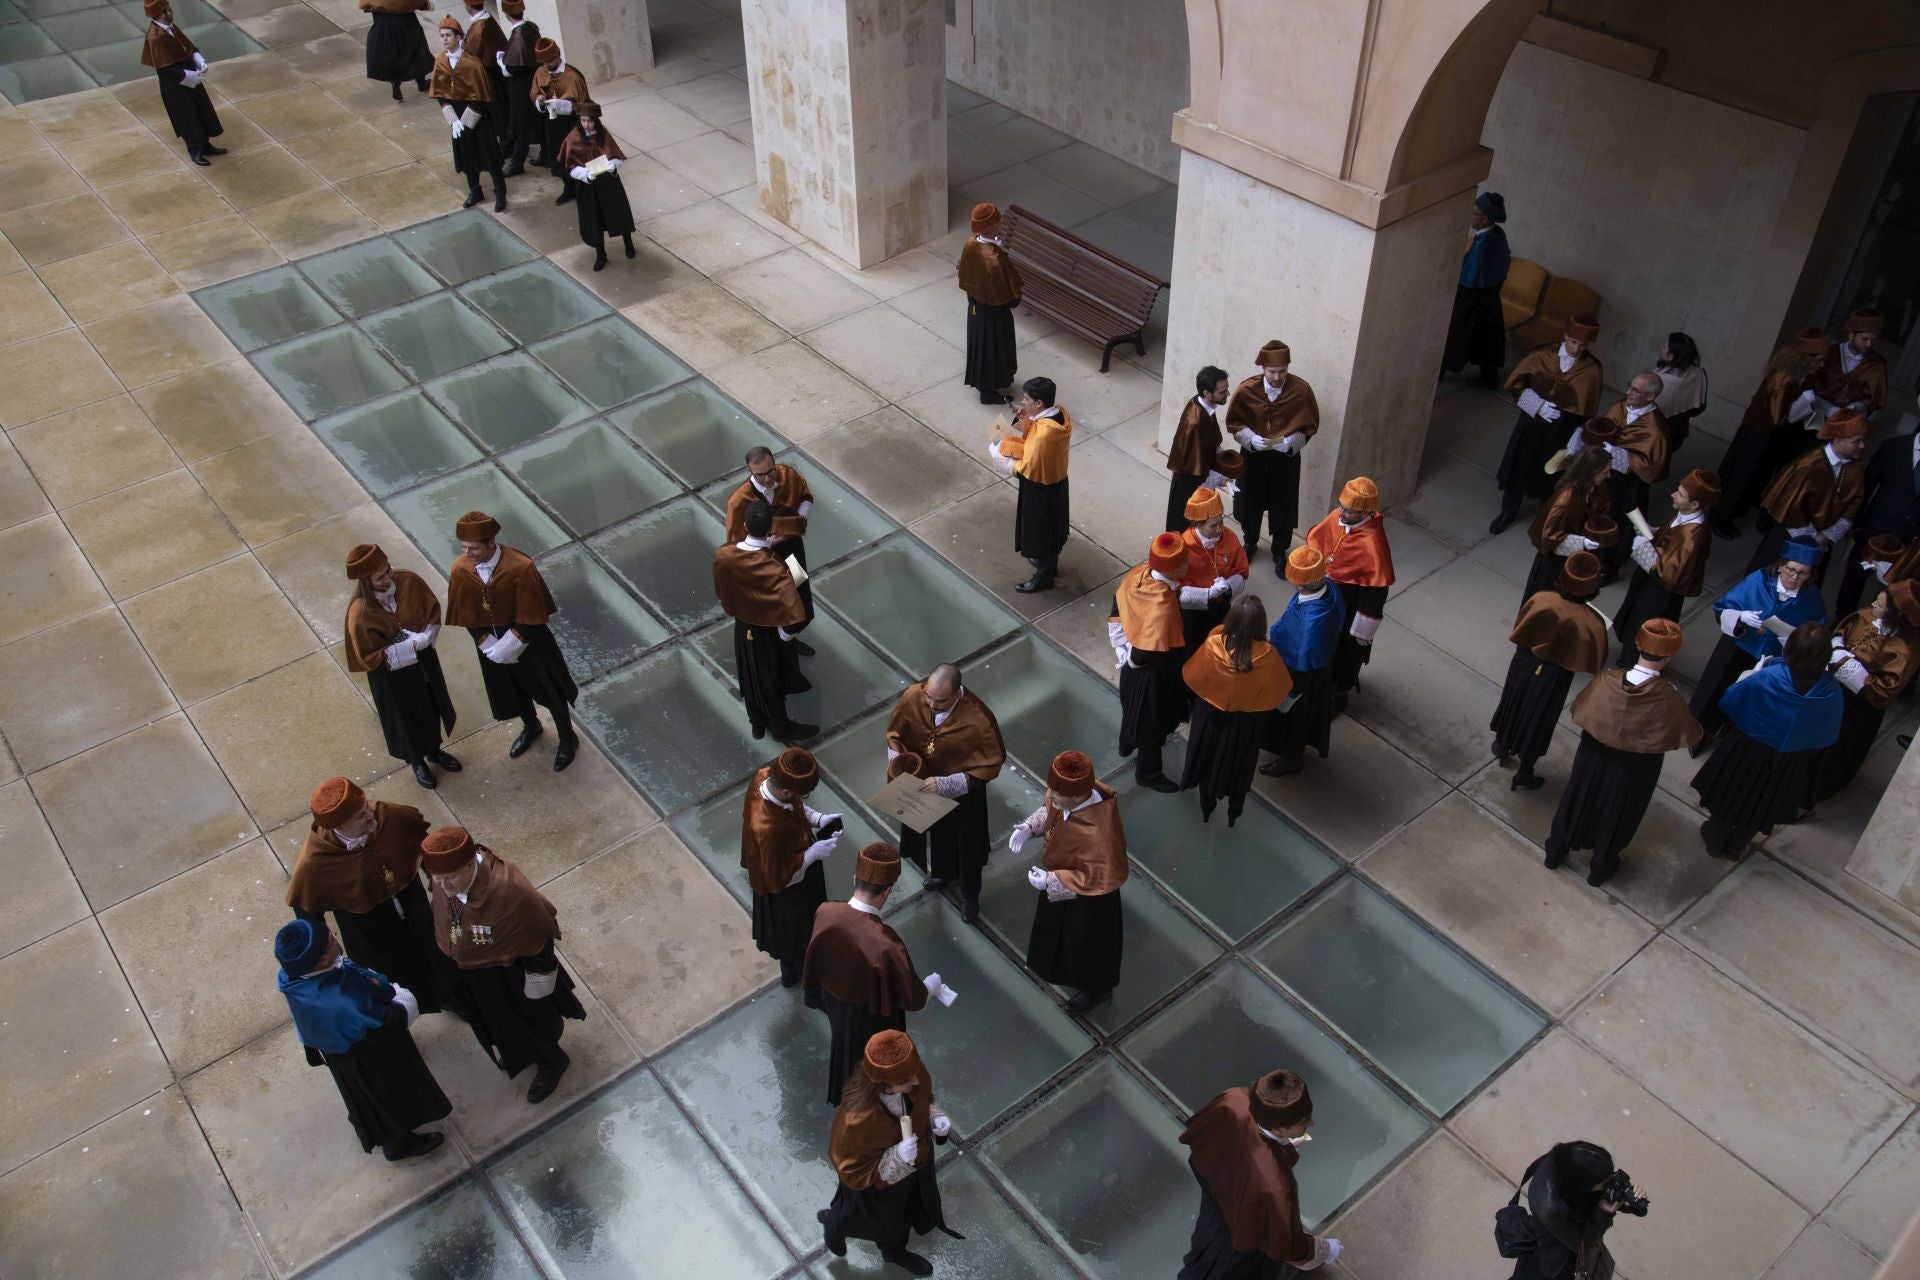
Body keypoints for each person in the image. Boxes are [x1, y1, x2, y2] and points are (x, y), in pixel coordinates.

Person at [424, 826, 584, 1102]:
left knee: (528, 1022)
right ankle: (518, 1051)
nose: (441, 885)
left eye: (449, 878)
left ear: (468, 863)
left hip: (508, 974)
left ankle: (551, 1061)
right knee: (495, 1023)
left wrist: (538, 984)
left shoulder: (510, 891)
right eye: (436, 878)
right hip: (471, 970)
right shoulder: (446, 882)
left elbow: (541, 936)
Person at [273, 919, 449, 1162]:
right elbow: (388, 1023)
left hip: (342, 1051)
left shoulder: (296, 975)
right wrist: (402, 999)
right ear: (321, 959)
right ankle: (399, 1144)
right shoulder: (340, 1004)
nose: (335, 934)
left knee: (363, 1100)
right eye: (330, 939)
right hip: (370, 1057)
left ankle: (370, 1121)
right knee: (388, 1097)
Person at [1545, 618, 1699, 885]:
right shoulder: (1669, 697)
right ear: (1670, 655)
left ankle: (1555, 851)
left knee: (1577, 798)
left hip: (1593, 758)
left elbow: (1582, 710)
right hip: (1634, 769)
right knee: (1619, 813)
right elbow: (1687, 734)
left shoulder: (1607, 680)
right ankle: (1600, 867)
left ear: (1638, 644)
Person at [287, 776, 456, 1016]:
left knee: (435, 955)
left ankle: (449, 997)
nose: (370, 815)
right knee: (390, 977)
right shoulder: (315, 864)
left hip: (414, 910)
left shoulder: (388, 816)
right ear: (340, 826)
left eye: (365, 807)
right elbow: (308, 915)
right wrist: (324, 957)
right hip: (371, 933)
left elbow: (423, 845)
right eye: (360, 816)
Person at [802, 843, 949, 1106]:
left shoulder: (826, 911)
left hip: (836, 1007)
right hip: (871, 1020)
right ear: (887, 891)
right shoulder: (887, 944)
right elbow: (914, 998)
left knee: (845, 1052)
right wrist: (932, 986)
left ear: (854, 878)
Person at [1693, 624, 1843, 860]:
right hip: (1788, 760)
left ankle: (1715, 839)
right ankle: (1736, 846)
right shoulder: (1830, 691)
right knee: (1763, 804)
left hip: (1747, 750)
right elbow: (1827, 732)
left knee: (1730, 795)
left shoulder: (1770, 675)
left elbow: (1731, 700)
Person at [444, 510, 579, 769]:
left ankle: (567, 738)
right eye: (464, 547)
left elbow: (533, 614)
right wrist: (487, 644)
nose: (468, 553)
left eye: (473, 548)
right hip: (491, 644)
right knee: (511, 690)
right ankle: (531, 725)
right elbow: (466, 614)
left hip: (529, 642)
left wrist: (511, 644)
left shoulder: (520, 566)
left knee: (550, 691)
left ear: (491, 543)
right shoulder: (461, 568)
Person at [818, 1031, 958, 1277]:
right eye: (907, 1081)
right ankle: (835, 1223)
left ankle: (894, 1250)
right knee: (880, 1218)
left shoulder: (909, 1070)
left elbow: (924, 1096)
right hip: (879, 1185)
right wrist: (895, 1158)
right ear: (886, 1084)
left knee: (908, 1206)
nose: (916, 1081)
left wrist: (935, 1117)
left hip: (917, 1160)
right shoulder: (855, 1119)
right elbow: (851, 1170)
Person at [1178, 1069, 1341, 1278]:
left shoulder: (1233, 1098)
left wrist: (1281, 1148)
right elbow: (1288, 1243)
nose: (1311, 1124)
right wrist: (1323, 1250)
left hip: (1216, 1192)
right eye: (1303, 1121)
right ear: (1280, 1130)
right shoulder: (1275, 1183)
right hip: (1237, 1235)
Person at [885, 664, 1005, 924]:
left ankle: (970, 895)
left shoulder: (979, 719)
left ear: (956, 694)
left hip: (960, 793)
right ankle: (942, 873)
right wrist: (897, 759)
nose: (930, 703)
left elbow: (991, 764)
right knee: (936, 834)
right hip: (921, 781)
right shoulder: (913, 697)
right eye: (928, 696)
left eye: (939, 701)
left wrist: (947, 784)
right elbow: (896, 734)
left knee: (966, 843)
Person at [1016, 749, 1128, 1012]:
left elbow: (1096, 877)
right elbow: (1049, 811)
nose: (1051, 797)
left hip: (1092, 901)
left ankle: (1097, 990)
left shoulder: (1101, 833)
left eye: (1057, 795)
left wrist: (1051, 881)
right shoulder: (1064, 797)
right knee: (1063, 937)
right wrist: (1028, 827)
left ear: (1078, 795)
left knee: (1088, 945)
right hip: (1062, 879)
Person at [1689, 539, 1827, 749]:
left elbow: (1814, 635)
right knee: (1716, 688)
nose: (1794, 577)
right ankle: (1698, 731)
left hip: (1769, 659)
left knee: (1748, 699)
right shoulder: (1759, 580)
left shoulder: (1811, 598)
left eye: (1802, 573)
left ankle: (1729, 737)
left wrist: (1792, 642)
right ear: (1781, 565)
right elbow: (1722, 606)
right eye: (1791, 569)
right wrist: (1740, 616)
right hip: (1737, 648)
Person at [343, 544, 460, 789]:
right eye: (380, 577)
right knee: (404, 718)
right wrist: (410, 647)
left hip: (423, 666)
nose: (388, 579)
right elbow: (369, 657)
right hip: (392, 678)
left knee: (431, 704)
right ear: (367, 582)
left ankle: (434, 750)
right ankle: (416, 760)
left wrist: (426, 636)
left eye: (388, 571)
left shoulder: (408, 581)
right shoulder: (360, 612)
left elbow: (431, 611)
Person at [1490, 552, 1609, 792]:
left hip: (1525, 661)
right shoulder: (1593, 622)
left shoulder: (1542, 599)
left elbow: (1521, 627)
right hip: (1555, 675)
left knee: (1513, 700)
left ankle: (1502, 745)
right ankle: (1525, 771)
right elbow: (1595, 659)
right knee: (1540, 718)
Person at [1805, 581, 1919, 806]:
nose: (1873, 606)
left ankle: (1812, 793)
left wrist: (1842, 661)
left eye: (1880, 605)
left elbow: (1882, 692)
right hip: (1829, 692)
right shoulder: (1869, 614)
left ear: (1896, 616)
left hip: (1856, 709)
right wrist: (1836, 645)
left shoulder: (1906, 649)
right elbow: (1843, 630)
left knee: (1832, 753)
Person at [713, 499, 817, 743]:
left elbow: (721, 590)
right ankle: (781, 727)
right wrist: (785, 635)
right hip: (769, 631)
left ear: (746, 526)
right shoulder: (777, 564)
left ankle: (757, 723)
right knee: (771, 679)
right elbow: (796, 604)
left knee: (749, 676)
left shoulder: (725, 553)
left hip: (743, 627)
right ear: (771, 527)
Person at [1182, 596, 1292, 824]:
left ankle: (1206, 808)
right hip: (1244, 727)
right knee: (1239, 768)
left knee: (1206, 765)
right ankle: (1234, 812)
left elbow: (1195, 675)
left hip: (1210, 722)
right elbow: (1278, 690)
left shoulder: (1215, 644)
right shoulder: (1267, 655)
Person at [1491, 312, 1603, 534]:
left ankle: (1545, 515)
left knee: (1552, 471)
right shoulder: (1542, 354)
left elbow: (1588, 411)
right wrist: (1537, 405)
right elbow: (1517, 383)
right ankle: (1508, 511)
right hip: (1534, 420)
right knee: (1520, 463)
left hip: (1563, 427)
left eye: (1582, 345)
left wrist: (1576, 438)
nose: (1577, 349)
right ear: (1565, 336)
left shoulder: (1592, 370)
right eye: (1573, 342)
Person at [741, 748, 841, 996]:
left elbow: (794, 806)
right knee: (803, 941)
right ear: (786, 790)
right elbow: (782, 879)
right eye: (801, 792)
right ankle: (814, 993)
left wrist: (818, 819)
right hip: (788, 893)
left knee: (788, 942)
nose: (802, 798)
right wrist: (812, 855)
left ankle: (789, 975)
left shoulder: (765, 776)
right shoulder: (769, 830)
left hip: (780, 876)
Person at [1712, 329, 1827, 539]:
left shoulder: (1798, 376)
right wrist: (1804, 403)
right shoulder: (1782, 379)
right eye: (1818, 359)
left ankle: (1735, 511)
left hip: (1768, 436)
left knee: (1753, 476)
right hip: (1757, 433)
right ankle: (1720, 518)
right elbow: (1778, 416)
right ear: (1804, 358)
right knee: (1740, 476)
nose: (1821, 364)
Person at [1224, 341, 1320, 565]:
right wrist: (1250, 438)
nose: (1277, 377)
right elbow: (1235, 423)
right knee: (1250, 501)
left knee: (1283, 504)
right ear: (1263, 369)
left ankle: (1280, 550)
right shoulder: (1246, 390)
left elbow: (1309, 427)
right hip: (1253, 457)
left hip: (1284, 460)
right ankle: (1250, 541)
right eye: (1272, 372)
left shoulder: (1301, 391)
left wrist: (1290, 443)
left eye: (1282, 371)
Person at [1567, 372, 1670, 579]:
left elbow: (1652, 465)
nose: (1628, 393)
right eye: (1629, 386)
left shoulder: (1656, 428)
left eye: (1635, 390)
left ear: (1650, 397)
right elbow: (1603, 425)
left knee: (1621, 522)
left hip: (1628, 484)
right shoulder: (1620, 406)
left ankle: (1610, 566)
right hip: (1603, 475)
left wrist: (1619, 454)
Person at [1304, 477, 1395, 711]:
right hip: (1326, 597)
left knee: (1344, 653)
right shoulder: (1338, 517)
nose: (1341, 514)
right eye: (1341, 506)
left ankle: (1338, 693)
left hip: (1349, 607)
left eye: (1349, 512)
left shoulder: (1373, 544)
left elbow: (1376, 592)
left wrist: (1362, 630)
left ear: (1365, 512)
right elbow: (1318, 544)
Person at [1110, 532, 1190, 793]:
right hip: (1153, 674)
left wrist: (1125, 650)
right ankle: (1148, 772)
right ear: (1174, 568)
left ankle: (1126, 742)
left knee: (1129, 706)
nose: (1189, 564)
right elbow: (1146, 653)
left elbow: (1117, 604)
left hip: (1132, 668)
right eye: (1184, 561)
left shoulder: (1139, 574)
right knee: (1151, 724)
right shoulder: (1162, 607)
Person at [1745, 408, 1869, 576]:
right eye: (1857, 441)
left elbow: (1855, 501)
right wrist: (1813, 538)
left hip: (1823, 540)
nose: (1862, 446)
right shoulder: (1808, 465)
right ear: (1839, 439)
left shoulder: (1855, 466)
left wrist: (1827, 536)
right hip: (1789, 537)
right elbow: (1790, 506)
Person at [1261, 547, 1342, 778]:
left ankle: (1291, 758)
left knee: (1293, 722)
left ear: (1300, 585)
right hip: (1312, 669)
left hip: (1298, 678)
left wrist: (1288, 692)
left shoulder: (1313, 622)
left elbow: (1303, 660)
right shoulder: (1329, 591)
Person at [986, 377, 1072, 593]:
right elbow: (1035, 430)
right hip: (1055, 483)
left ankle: (1042, 577)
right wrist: (1024, 417)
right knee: (1050, 530)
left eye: (1026, 400)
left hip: (1040, 488)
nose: (1023, 402)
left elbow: (1027, 468)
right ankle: (1049, 567)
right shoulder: (1058, 414)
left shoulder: (1044, 435)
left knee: (1039, 533)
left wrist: (998, 454)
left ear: (1040, 403)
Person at [1504, 1141, 1637, 1280]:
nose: (1608, 1185)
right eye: (1605, 1183)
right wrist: (1604, 1212)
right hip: (1553, 1262)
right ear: (1584, 1184)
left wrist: (1629, 1201)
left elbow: (1593, 1194)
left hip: (1558, 1241)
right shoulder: (1552, 1208)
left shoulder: (1568, 1162)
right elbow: (1583, 1244)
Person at [726, 447, 815, 646]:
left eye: (770, 471)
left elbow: (806, 498)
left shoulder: (788, 475)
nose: (767, 478)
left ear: (775, 464)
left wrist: (798, 522)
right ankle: (782, 642)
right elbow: (735, 543)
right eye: (760, 475)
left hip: (790, 552)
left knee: (801, 603)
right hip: (763, 561)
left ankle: (788, 636)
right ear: (750, 473)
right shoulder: (738, 502)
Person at [1835, 427, 1920, 616]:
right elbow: (1867, 484)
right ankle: (1841, 620)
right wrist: (1853, 521)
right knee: (1854, 579)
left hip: (1910, 541)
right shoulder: (1894, 447)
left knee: (1894, 591)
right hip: (1875, 530)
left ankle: (1873, 630)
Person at [430, 16, 506, 211]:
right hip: (455, 115)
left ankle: (500, 193)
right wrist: (452, 119)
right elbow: (439, 93)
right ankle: (475, 189)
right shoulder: (440, 62)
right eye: (442, 36)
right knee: (467, 155)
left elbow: (482, 95)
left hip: (476, 116)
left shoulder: (473, 63)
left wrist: (467, 120)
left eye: (448, 35)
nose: (445, 39)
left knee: (489, 155)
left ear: (458, 37)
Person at [1521, 442, 1612, 602]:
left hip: (1572, 559)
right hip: (1554, 563)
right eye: (1605, 472)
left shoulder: (1597, 487)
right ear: (1592, 472)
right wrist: (1581, 542)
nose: (1608, 475)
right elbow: (1547, 538)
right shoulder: (1565, 500)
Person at [141, 0, 224, 166]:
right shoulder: (155, 37)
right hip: (177, 85)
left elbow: (187, 46)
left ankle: (205, 145)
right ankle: (195, 150)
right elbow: (167, 69)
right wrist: (188, 76)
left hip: (189, 76)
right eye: (168, 10)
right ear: (159, 14)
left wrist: (198, 59)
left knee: (200, 109)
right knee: (187, 116)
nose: (171, 12)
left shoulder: (170, 28)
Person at [1441, 190, 1510, 387]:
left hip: (1471, 298)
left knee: (1454, 334)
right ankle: (1488, 375)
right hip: (1488, 296)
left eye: (1474, 212)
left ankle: (1439, 371)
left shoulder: (1485, 245)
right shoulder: (1496, 236)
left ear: (1485, 219)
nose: (1470, 215)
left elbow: (1469, 276)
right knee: (1487, 337)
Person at [958, 202, 1022, 405]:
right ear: (990, 226)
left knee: (983, 349)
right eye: (997, 223)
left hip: (976, 309)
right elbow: (1008, 293)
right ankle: (989, 391)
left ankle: (987, 386)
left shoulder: (972, 243)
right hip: (993, 315)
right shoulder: (992, 258)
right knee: (994, 350)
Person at [560, 103, 636, 271]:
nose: (586, 124)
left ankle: (628, 243)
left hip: (608, 182)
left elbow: (616, 155)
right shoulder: (573, 138)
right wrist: (585, 173)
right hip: (588, 187)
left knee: (618, 213)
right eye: (583, 120)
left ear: (596, 121)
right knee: (594, 219)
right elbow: (570, 167)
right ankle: (600, 254)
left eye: (590, 121)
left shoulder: (604, 134)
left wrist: (612, 164)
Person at [1175, 487, 1249, 657]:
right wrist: (1207, 594)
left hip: (1221, 609)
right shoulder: (1184, 546)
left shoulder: (1229, 537)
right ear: (1197, 524)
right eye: (1213, 525)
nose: (1219, 529)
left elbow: (1241, 572)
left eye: (1221, 522)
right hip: (1193, 615)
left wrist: (1229, 586)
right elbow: (1177, 592)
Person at [1165, 367, 1235, 531]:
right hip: (1189, 490)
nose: (1227, 394)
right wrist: (1222, 479)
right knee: (1189, 532)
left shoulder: (1204, 406)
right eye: (1222, 392)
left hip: (1194, 482)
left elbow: (1207, 447)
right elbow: (1195, 468)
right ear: (1207, 393)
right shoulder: (1196, 422)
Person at [530, 37, 589, 198]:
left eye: (550, 61)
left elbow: (584, 104)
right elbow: (534, 93)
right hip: (552, 122)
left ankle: (581, 188)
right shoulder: (541, 72)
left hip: (571, 123)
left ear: (557, 55)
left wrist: (566, 106)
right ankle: (568, 186)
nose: (547, 66)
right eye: (544, 63)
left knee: (575, 155)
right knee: (558, 154)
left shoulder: (573, 76)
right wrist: (539, 101)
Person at [1811, 309, 1889, 423]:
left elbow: (1875, 401)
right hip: (1814, 414)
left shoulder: (1877, 364)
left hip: (1846, 423)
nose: (1869, 344)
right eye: (1864, 339)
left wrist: (1858, 407)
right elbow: (1808, 387)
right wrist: (1828, 408)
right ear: (1851, 335)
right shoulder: (1828, 354)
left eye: (1873, 340)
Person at [497, 0, 542, 175]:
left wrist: (501, 61)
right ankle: (545, 155)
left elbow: (510, 70)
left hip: (521, 87)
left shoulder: (517, 37)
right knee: (538, 120)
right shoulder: (532, 28)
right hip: (534, 80)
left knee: (520, 126)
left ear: (507, 15)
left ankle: (517, 164)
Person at [360, 0, 431, 102]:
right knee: (416, 49)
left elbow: (366, 4)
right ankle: (421, 82)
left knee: (393, 54)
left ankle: (395, 83)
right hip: (405, 20)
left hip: (382, 22)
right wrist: (426, 4)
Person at [456, 0, 507, 141]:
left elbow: (470, 53)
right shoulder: (487, 18)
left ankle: (506, 142)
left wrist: (461, 42)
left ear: (468, 5)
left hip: (489, 75)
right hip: (496, 71)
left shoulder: (479, 27)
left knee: (497, 111)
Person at [1652, 331, 1709, 453]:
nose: (1661, 348)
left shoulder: (1659, 381)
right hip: (1677, 434)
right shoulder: (1698, 374)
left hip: (1654, 436)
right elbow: (1699, 407)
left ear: (1671, 356)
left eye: (1664, 346)